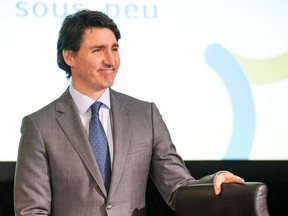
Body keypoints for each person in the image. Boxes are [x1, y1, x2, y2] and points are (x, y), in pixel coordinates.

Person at [14, 9, 244, 216]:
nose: (111, 60)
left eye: (114, 49)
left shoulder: (146, 115)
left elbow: (178, 188)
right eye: (98, 50)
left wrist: (213, 182)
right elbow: (32, 211)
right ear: (69, 57)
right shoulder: (40, 126)